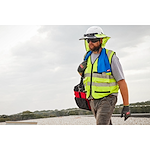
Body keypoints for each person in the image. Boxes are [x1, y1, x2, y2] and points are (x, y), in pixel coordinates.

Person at [77, 26, 130, 125]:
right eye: (88, 40)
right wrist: (80, 71)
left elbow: (121, 81)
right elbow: (88, 77)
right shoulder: (86, 57)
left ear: (101, 40)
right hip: (93, 100)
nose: (90, 43)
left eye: (93, 40)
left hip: (107, 98)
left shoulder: (110, 57)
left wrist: (126, 105)